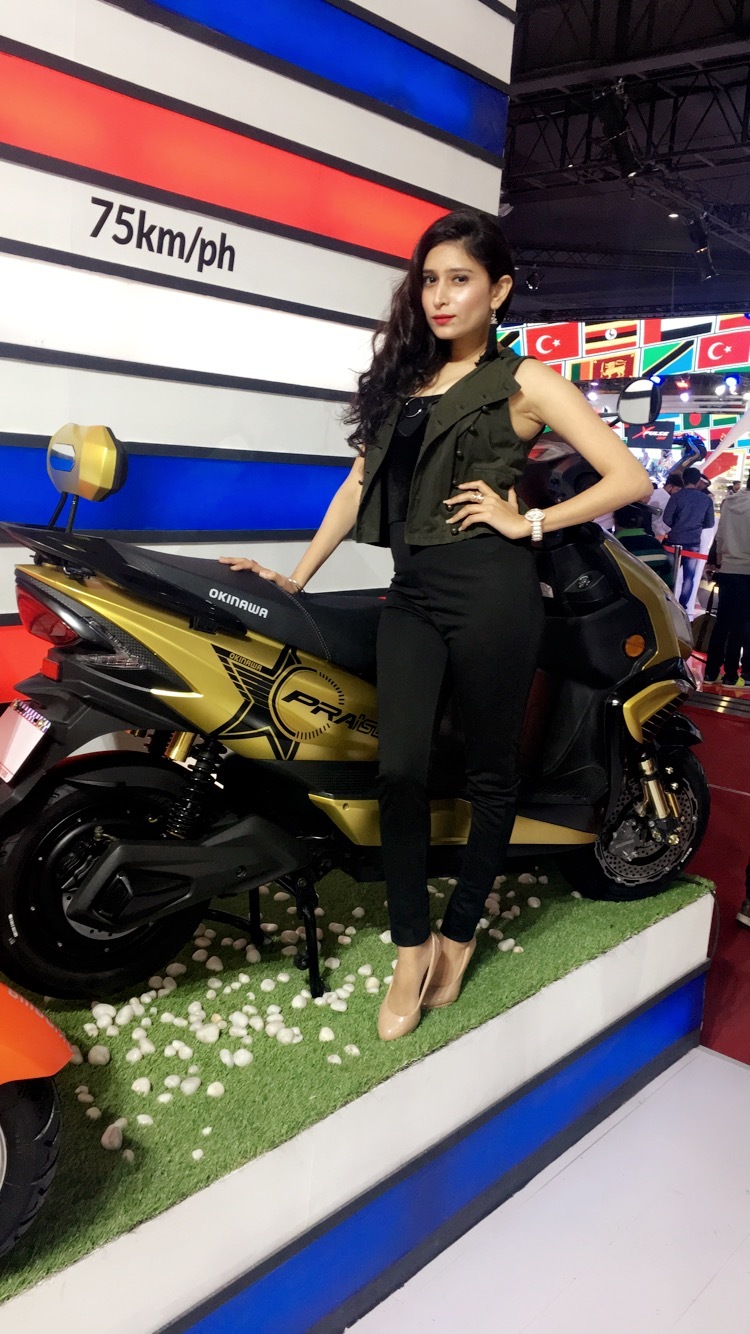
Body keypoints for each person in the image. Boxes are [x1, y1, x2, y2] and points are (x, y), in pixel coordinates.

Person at [220, 209, 649, 1041]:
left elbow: (627, 477)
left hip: (494, 594)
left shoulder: (526, 381)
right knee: (401, 771)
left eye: (461, 279)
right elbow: (358, 484)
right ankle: (411, 946)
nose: (441, 296)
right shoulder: (405, 383)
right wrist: (296, 577)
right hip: (412, 594)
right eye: (430, 280)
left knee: (490, 774)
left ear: (500, 290)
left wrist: (528, 522)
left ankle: (460, 931)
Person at [704, 475, 750, 687]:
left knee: (722, 621)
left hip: (729, 569)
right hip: (747, 570)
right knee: (742, 624)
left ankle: (711, 671)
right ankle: (732, 675)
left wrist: (720, 563)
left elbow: (720, 536)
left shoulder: (729, 502)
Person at [663, 467, 715, 609]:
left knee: (669, 574)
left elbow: (666, 518)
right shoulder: (706, 500)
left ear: (683, 479)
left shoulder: (676, 496)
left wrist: (677, 525)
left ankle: (667, 602)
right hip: (693, 541)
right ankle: (683, 606)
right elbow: (710, 523)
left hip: (674, 540)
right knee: (688, 577)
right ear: (698, 481)